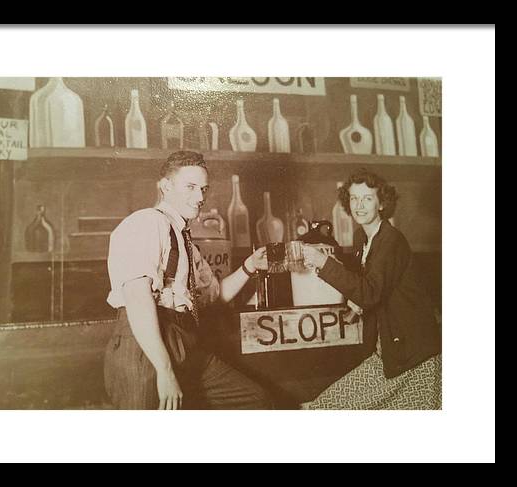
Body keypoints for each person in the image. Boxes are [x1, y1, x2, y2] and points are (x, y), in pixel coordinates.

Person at [104, 150, 272, 410]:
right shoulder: (146, 222)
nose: (200, 197)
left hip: (182, 341)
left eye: (203, 189)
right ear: (165, 186)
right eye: (190, 187)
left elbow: (213, 297)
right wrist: (164, 369)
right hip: (145, 346)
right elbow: (137, 297)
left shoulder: (186, 242)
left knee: (255, 399)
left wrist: (250, 267)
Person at [301, 168, 441, 410]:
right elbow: (373, 289)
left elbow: (369, 292)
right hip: (390, 353)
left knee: (325, 408)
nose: (359, 205)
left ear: (381, 204)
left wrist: (323, 263)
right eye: (354, 198)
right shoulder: (362, 239)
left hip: (416, 358)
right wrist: (355, 305)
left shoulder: (391, 239)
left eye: (367, 198)